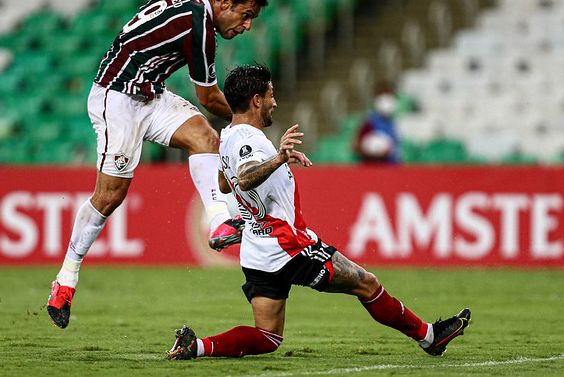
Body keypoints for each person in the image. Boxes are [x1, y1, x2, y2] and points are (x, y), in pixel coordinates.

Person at [166, 64, 470, 360]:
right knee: (367, 284)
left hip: (258, 251)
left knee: (269, 336)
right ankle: (429, 337)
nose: (275, 102)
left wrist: (259, 190)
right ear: (256, 100)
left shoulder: (229, 135)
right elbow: (245, 177)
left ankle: (196, 346)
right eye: (270, 95)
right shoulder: (249, 139)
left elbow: (225, 182)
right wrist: (278, 158)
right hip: (288, 244)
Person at [44, 0, 269, 329]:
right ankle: (66, 277)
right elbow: (208, 97)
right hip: (117, 98)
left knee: (205, 138)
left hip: (150, 94)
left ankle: (218, 222)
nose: (247, 25)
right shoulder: (201, 29)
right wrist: (249, 118)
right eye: (245, 15)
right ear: (225, 2)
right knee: (110, 196)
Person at [353, 84, 401, 163]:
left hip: (393, 168)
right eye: (384, 97)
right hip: (375, 168)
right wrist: (375, 153)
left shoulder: (394, 122)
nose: (387, 101)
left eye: (390, 97)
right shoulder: (370, 121)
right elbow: (355, 146)